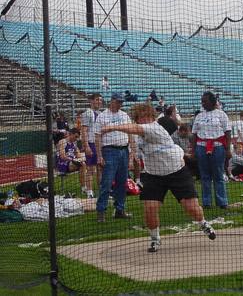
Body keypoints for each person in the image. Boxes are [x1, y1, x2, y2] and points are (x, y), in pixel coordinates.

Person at [100, 103, 216, 252]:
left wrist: (111, 127)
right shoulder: (137, 135)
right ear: (137, 118)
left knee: (191, 208)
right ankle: (155, 239)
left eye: (147, 116)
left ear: (152, 117)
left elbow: (135, 128)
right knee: (150, 208)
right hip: (153, 174)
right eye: (141, 117)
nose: (144, 119)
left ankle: (203, 223)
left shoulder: (154, 127)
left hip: (176, 171)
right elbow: (135, 142)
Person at [95, 92, 136, 222]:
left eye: (121, 102)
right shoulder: (102, 116)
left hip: (124, 150)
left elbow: (130, 133)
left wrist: (132, 152)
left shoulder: (124, 115)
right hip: (109, 150)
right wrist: (99, 156)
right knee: (106, 183)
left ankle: (120, 209)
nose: (120, 104)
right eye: (118, 101)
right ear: (111, 101)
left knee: (122, 182)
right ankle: (101, 211)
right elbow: (97, 136)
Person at [192, 91, 231, 209]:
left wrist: (228, 149)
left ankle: (222, 201)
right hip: (202, 146)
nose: (203, 103)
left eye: (205, 101)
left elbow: (227, 132)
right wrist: (194, 150)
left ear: (212, 101)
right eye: (202, 101)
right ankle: (206, 202)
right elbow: (194, 134)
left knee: (218, 174)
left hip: (218, 146)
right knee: (204, 175)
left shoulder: (221, 114)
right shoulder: (199, 116)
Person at [81, 93, 103, 198]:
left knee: (100, 168)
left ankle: (101, 191)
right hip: (91, 143)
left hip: (99, 144)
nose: (99, 101)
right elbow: (84, 130)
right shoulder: (87, 113)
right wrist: (86, 146)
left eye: (100, 100)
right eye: (97, 99)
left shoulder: (100, 113)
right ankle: (89, 192)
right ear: (91, 101)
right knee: (90, 169)